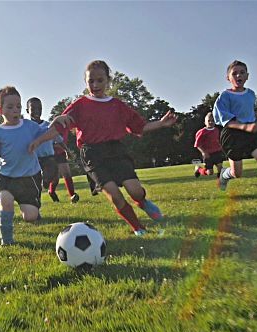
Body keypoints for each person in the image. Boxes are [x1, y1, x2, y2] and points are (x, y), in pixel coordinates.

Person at [29, 60, 177, 236]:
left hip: (116, 151)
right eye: (91, 81)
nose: (95, 85)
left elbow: (139, 127)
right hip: (92, 154)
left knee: (135, 191)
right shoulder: (80, 105)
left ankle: (142, 202)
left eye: (100, 80)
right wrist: (38, 141)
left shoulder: (117, 105)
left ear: (108, 81)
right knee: (114, 195)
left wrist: (160, 123)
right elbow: (59, 127)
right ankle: (138, 227)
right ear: (86, 82)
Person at [0, 86, 45, 246]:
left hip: (30, 178)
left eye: (18, 106)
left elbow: (49, 131)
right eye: (10, 107)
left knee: (30, 216)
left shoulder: (29, 126)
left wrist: (58, 122)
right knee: (5, 201)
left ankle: (30, 209)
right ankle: (6, 240)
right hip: (7, 177)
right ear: (0, 110)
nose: (15, 110)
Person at [213, 60, 257, 203]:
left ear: (247, 76)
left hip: (252, 132)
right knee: (237, 173)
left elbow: (250, 114)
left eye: (242, 72)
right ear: (228, 78)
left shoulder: (250, 94)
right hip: (232, 134)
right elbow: (224, 120)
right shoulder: (224, 96)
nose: (238, 75)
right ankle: (224, 175)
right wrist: (244, 127)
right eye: (234, 73)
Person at [26, 97, 78, 203]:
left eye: (39, 108)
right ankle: (36, 203)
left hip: (49, 157)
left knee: (55, 179)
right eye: (33, 108)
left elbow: (58, 139)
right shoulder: (26, 127)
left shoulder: (48, 125)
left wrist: (67, 150)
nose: (37, 110)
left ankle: (49, 188)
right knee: (36, 181)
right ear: (27, 111)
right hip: (35, 159)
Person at [48, 124, 82, 202]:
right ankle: (51, 191)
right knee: (55, 178)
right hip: (52, 154)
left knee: (67, 173)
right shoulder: (54, 128)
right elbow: (52, 143)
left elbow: (63, 142)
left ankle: (72, 195)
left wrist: (67, 151)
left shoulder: (67, 130)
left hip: (61, 154)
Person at [193, 112, 224, 177]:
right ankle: (198, 169)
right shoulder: (202, 132)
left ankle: (221, 181)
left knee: (220, 167)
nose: (211, 122)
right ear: (205, 122)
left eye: (213, 120)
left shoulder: (216, 130)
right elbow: (197, 144)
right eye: (209, 121)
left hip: (217, 152)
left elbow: (217, 140)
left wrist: (221, 147)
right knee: (210, 172)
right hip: (208, 154)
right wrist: (204, 152)